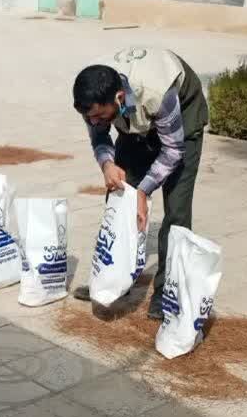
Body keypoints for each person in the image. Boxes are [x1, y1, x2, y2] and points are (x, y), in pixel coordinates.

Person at [73, 47, 209, 320]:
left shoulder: (158, 91)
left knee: (177, 213)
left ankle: (166, 293)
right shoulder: (93, 97)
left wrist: (143, 192)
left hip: (181, 122)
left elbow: (172, 150)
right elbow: (99, 138)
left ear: (119, 97)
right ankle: (111, 282)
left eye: (99, 116)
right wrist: (107, 165)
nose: (94, 121)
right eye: (90, 117)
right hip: (134, 119)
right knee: (119, 202)